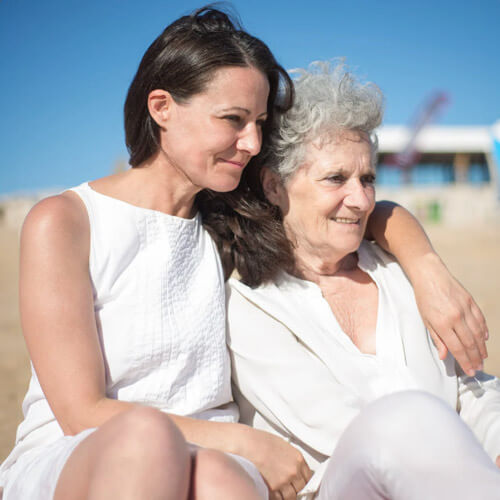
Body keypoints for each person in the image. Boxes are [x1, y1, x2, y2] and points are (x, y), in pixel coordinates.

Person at [0, 6, 488, 499]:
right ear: (162, 107)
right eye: (233, 120)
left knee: (221, 480)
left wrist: (426, 268)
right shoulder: (66, 221)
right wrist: (246, 441)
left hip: (212, 458)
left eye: (258, 122)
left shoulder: (226, 224)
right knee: (151, 442)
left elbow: (362, 212)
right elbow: (81, 411)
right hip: (86, 452)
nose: (252, 143)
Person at [221, 61, 500, 499]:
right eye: (336, 178)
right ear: (274, 186)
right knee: (400, 420)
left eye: (368, 178)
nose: (362, 199)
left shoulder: (398, 272)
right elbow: (353, 434)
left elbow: (472, 389)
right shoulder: (251, 307)